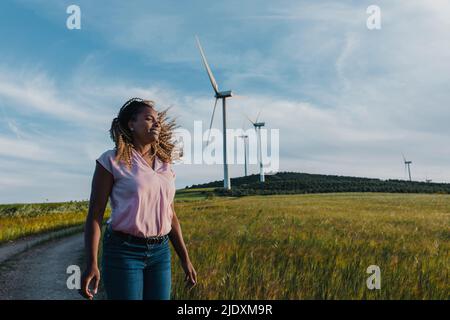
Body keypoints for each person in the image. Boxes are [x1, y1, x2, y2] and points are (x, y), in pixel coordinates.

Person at [80, 98, 197, 300]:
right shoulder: (111, 160)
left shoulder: (166, 166)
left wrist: (185, 258)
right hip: (123, 251)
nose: (157, 123)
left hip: (160, 253)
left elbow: (171, 215)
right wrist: (91, 262)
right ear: (131, 124)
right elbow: (95, 215)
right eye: (149, 118)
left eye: (158, 120)